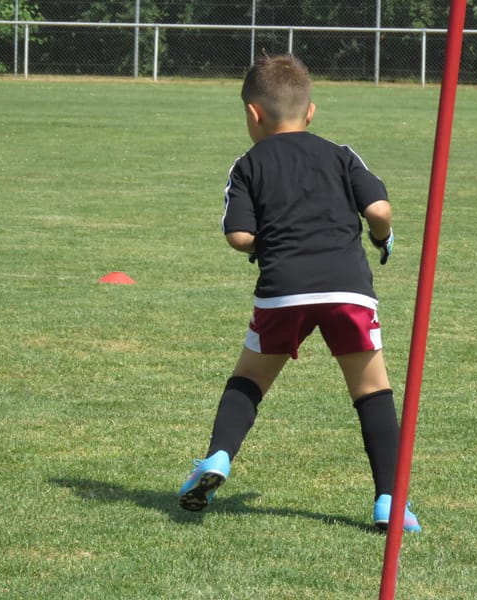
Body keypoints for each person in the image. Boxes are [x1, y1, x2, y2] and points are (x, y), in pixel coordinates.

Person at [177, 54, 420, 532]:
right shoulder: (341, 154)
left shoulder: (247, 165)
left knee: (250, 379)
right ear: (310, 112)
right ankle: (390, 502)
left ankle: (218, 457)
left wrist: (273, 244)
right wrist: (381, 239)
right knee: (372, 389)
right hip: (347, 289)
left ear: (253, 114)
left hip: (283, 291)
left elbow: (239, 236)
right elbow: (379, 210)